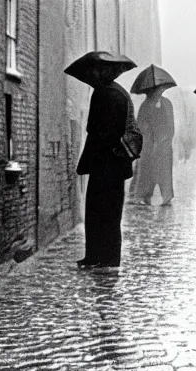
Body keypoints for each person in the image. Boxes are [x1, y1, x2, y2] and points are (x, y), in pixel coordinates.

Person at [76, 67, 137, 268]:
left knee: (106, 212)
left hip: (108, 163)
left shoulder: (110, 94)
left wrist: (95, 133)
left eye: (94, 73)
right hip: (106, 163)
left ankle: (107, 257)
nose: (90, 76)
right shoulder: (111, 92)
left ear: (102, 73)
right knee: (98, 211)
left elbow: (105, 132)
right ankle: (97, 255)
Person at [129, 85, 175, 205]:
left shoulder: (167, 104)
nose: (159, 92)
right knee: (147, 171)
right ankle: (145, 196)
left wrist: (165, 138)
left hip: (164, 144)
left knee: (164, 171)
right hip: (149, 144)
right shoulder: (145, 105)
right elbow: (140, 124)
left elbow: (170, 124)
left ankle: (167, 196)